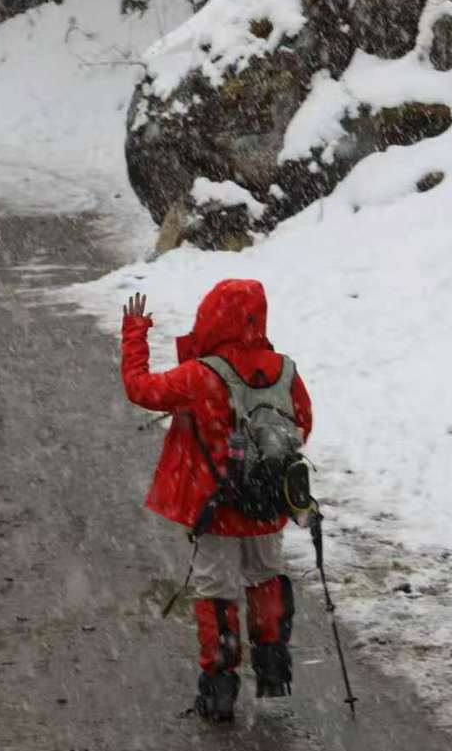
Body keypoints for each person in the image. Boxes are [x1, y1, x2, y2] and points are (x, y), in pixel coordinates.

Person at [121, 280, 313, 722]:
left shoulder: (201, 374)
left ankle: (220, 688)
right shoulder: (284, 369)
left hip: (218, 506)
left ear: (212, 316)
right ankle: (272, 668)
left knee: (216, 590)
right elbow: (303, 421)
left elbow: (141, 389)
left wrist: (134, 335)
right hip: (267, 505)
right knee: (265, 576)